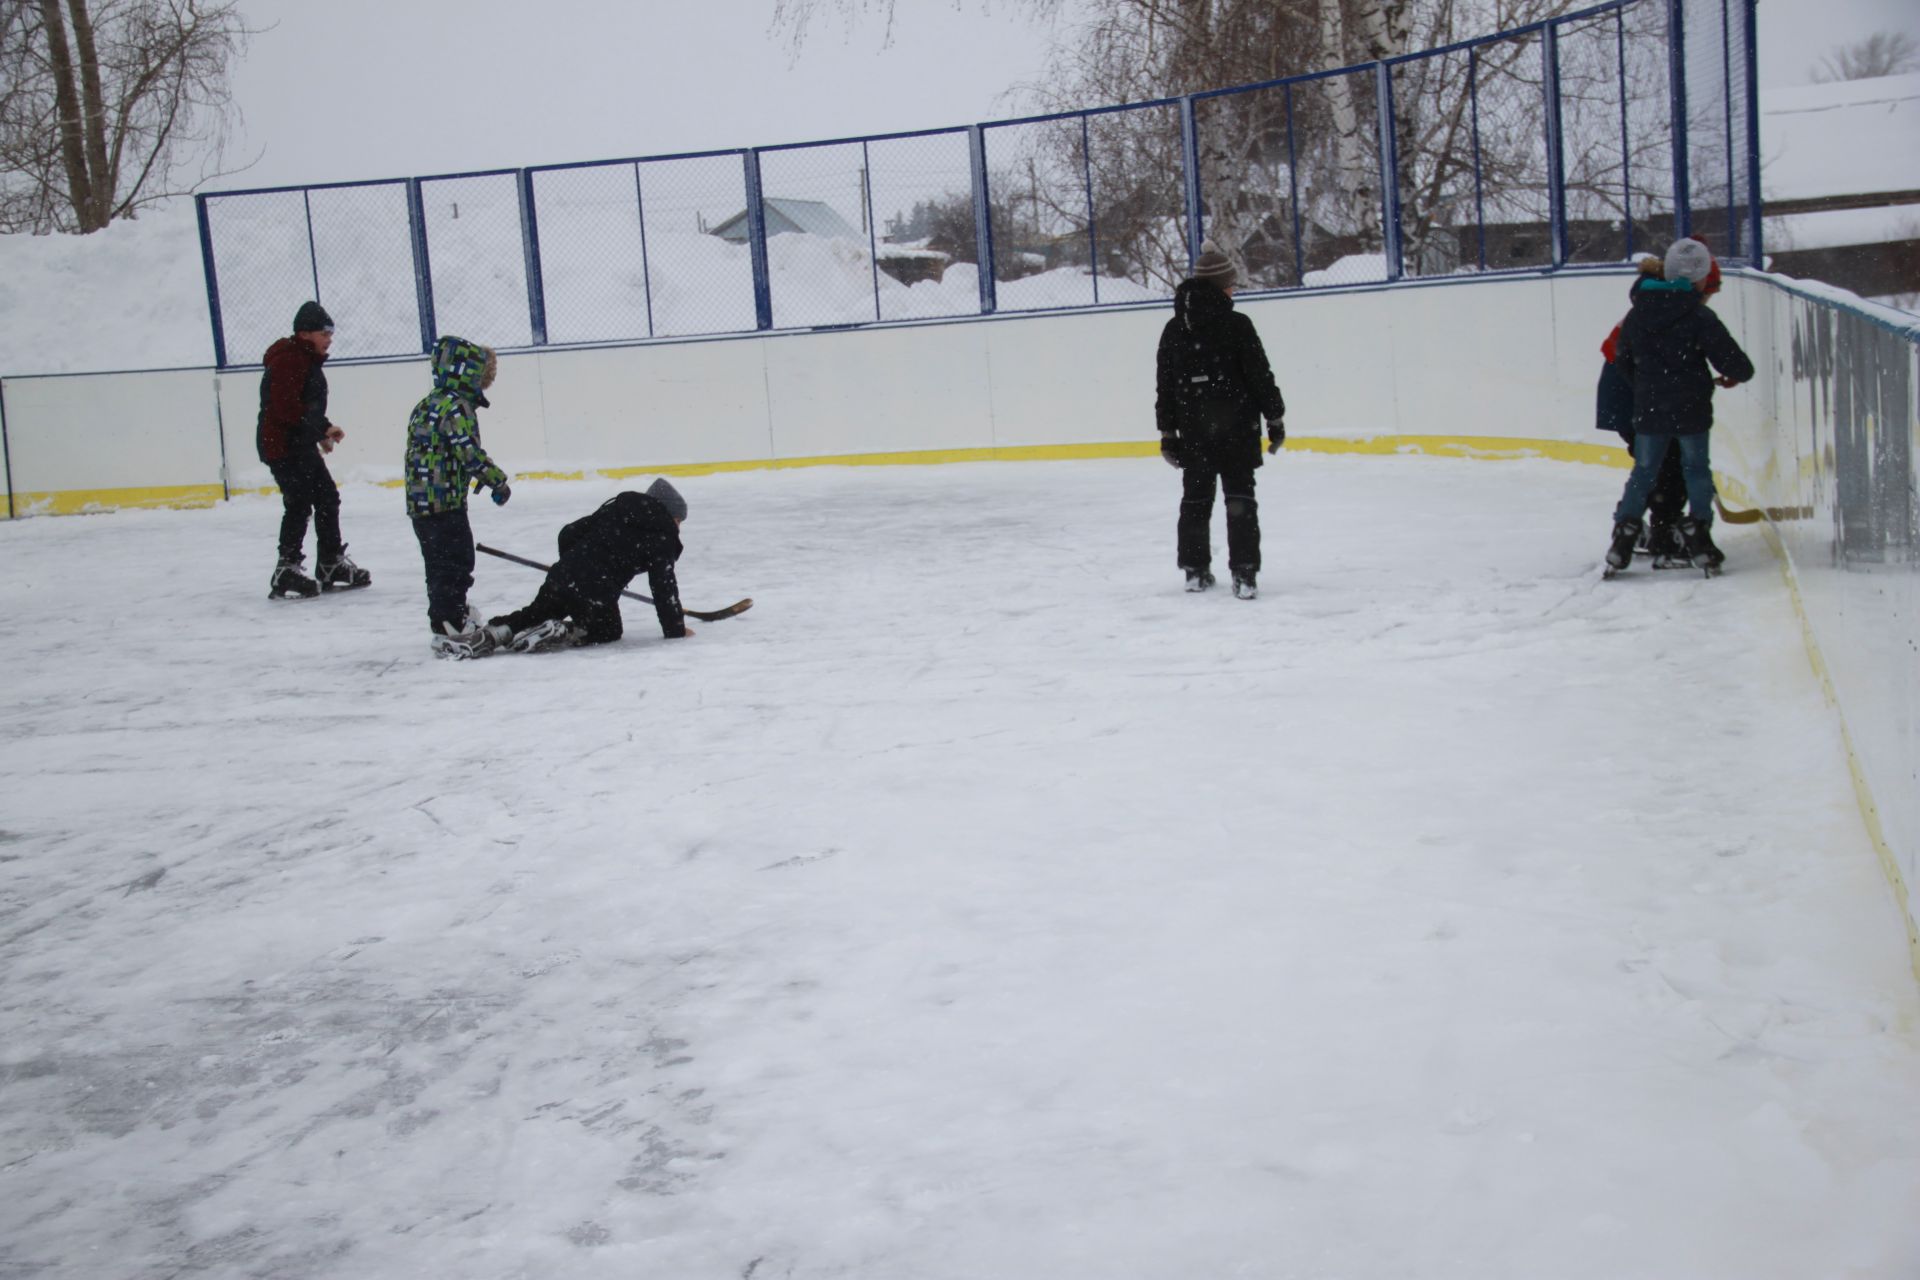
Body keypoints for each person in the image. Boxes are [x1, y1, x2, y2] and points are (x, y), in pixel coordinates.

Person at [1604, 238, 1754, 574]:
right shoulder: (1699, 316)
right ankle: (1698, 531)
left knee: (1643, 473)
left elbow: (1623, 360)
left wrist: (1646, 386)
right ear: (1699, 278)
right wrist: (1725, 376)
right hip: (1691, 409)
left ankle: (1625, 532)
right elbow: (1737, 364)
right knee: (1696, 470)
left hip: (1650, 409)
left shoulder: (1638, 314)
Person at [1155, 239, 1287, 599]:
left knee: (1196, 499)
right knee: (1240, 498)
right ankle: (1244, 575)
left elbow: (1164, 387)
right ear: (1220, 286)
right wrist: (1275, 419)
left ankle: (1195, 572)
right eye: (1230, 284)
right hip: (1237, 428)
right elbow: (1261, 376)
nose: (1234, 290)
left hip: (1195, 430)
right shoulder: (1238, 324)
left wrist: (1168, 433)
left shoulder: (1175, 328)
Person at [484, 479, 692, 654]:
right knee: (609, 629)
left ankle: (496, 632)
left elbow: (569, 532)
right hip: (596, 591)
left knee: (535, 613)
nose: (678, 528)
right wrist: (676, 630)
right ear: (668, 512)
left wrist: (571, 565)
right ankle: (563, 631)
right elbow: (663, 586)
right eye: (678, 520)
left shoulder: (616, 509)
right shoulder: (662, 533)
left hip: (564, 576)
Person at [404, 335, 512, 658]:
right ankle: (449, 623)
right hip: (445, 502)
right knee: (456, 561)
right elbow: (469, 453)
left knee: (437, 565)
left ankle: (447, 616)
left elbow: (432, 453)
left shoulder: (425, 405)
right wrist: (497, 481)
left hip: (420, 503)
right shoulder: (456, 408)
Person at [257, 301, 371, 598]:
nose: (329, 339)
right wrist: (320, 429)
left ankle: (330, 562)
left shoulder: (302, 358)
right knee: (299, 502)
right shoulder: (289, 360)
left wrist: (322, 429)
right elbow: (286, 408)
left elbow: (302, 406)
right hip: (283, 446)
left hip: (295, 442)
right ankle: (287, 568)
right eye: (324, 333)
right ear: (305, 333)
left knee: (325, 498)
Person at [1596, 256, 1690, 566]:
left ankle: (1632, 527)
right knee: (1664, 466)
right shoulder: (1663, 308)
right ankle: (1652, 530)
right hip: (1636, 399)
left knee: (1656, 465)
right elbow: (1628, 358)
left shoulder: (1651, 302)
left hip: (1633, 397)